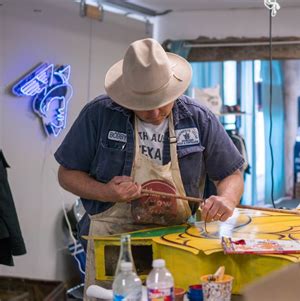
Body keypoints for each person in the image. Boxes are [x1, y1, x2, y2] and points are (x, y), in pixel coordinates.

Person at [54, 38, 244, 294]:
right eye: (144, 106)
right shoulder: (99, 115)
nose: (155, 114)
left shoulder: (198, 118)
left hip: (176, 241)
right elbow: (67, 174)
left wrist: (227, 200)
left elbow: (230, 174)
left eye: (162, 102)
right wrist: (106, 192)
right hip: (113, 242)